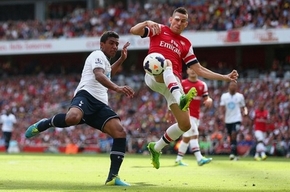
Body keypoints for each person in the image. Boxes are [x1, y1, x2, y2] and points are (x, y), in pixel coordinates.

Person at [130, 7, 238, 169]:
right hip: (154, 74)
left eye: (183, 21)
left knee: (185, 125)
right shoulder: (159, 29)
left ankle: (156, 147)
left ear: (186, 24)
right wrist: (147, 22)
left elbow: (199, 69)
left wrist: (224, 77)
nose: (179, 23)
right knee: (166, 63)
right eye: (177, 19)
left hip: (173, 82)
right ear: (171, 20)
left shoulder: (186, 44)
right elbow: (133, 31)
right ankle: (180, 97)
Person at [25, 31, 134, 186]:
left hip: (100, 104)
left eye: (116, 44)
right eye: (111, 43)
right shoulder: (97, 54)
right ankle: (45, 123)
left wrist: (122, 59)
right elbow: (98, 75)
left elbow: (108, 73)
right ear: (101, 44)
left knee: (119, 132)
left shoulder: (105, 61)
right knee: (72, 118)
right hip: (86, 95)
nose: (114, 46)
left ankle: (113, 177)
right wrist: (117, 88)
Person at [175, 68, 213, 166]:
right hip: (185, 114)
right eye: (190, 69)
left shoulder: (202, 85)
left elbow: (206, 98)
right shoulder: (182, 83)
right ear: (187, 71)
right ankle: (199, 159)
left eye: (194, 69)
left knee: (187, 138)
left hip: (196, 116)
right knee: (194, 134)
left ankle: (178, 160)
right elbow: (175, 98)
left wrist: (209, 100)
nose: (193, 70)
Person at [220, 81, 247, 160]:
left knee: (234, 134)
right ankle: (235, 154)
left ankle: (232, 153)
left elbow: (244, 107)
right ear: (229, 87)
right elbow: (221, 107)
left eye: (235, 85)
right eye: (232, 85)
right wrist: (222, 115)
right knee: (231, 137)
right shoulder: (224, 96)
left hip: (237, 118)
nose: (233, 87)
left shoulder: (240, 96)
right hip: (228, 119)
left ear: (236, 87)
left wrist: (245, 113)